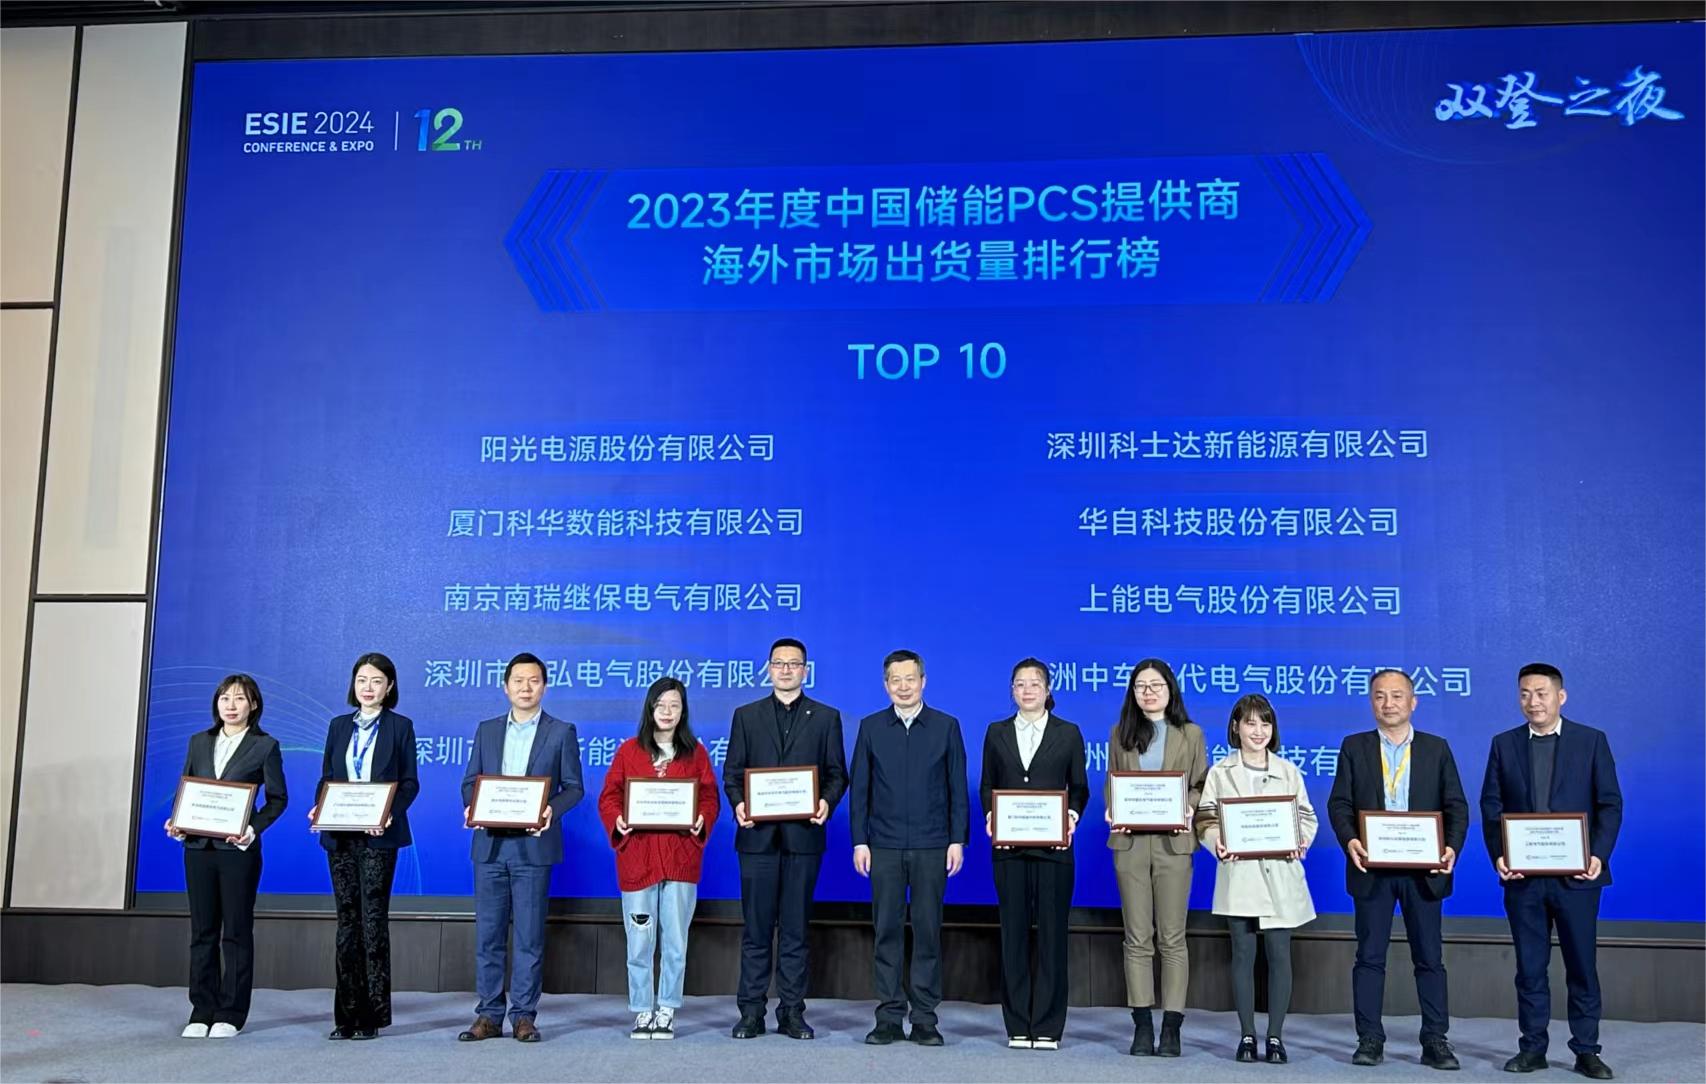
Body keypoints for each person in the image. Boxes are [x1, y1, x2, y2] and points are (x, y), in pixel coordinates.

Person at [1479, 663, 1622, 1081]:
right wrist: (1500, 854)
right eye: (1525, 693)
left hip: (1578, 878)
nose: (1533, 701)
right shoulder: (1504, 744)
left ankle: (1587, 1050)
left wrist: (1597, 855)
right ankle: (1532, 1048)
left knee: (1582, 967)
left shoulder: (1591, 741)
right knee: (1529, 968)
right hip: (1523, 879)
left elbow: (1610, 803)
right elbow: (1491, 805)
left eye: (1541, 693)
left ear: (1561, 696)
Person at [1327, 668, 1467, 1070]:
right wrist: (1350, 841)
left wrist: (1450, 848)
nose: (1388, 704)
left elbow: (1456, 806)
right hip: (1372, 869)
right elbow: (1340, 803)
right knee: (1370, 958)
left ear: (1413, 701)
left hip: (1424, 872)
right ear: (1371, 702)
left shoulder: (1436, 748)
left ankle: (1435, 1040)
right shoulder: (1354, 746)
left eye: (1396, 695)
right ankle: (1370, 1039)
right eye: (1379, 696)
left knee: (1430, 959)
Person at [724, 637, 847, 1040]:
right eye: (779, 663)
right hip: (756, 838)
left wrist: (826, 802)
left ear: (805, 671)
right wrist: (739, 804)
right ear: (769, 669)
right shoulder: (746, 715)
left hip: (803, 839)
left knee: (795, 931)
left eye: (794, 664)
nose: (786, 670)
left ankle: (792, 1012)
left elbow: (836, 774)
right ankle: (751, 1012)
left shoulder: (826, 717)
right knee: (756, 931)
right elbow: (732, 773)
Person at [457, 652, 583, 1043]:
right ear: (505, 686)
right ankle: (488, 1015)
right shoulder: (487, 730)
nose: (525, 688)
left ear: (544, 686)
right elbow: (470, 782)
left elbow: (574, 788)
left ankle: (524, 1015)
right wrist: (472, 805)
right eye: (518, 681)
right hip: (490, 847)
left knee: (529, 937)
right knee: (488, 936)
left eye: (533, 681)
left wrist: (550, 810)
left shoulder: (561, 732)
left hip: (533, 848)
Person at [848, 649, 969, 1047]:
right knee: (886, 931)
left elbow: (957, 788)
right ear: (886, 685)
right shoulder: (870, 727)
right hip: (883, 845)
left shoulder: (946, 726)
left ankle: (925, 1019)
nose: (903, 686)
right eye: (895, 680)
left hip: (933, 844)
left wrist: (957, 840)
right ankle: (888, 1016)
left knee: (928, 931)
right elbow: (860, 789)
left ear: (923, 681)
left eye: (910, 679)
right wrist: (860, 841)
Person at [164, 673, 288, 1038]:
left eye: (239, 699)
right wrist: (177, 821)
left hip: (237, 850)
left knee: (235, 931)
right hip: (197, 848)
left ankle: (231, 1013)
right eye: (224, 698)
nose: (231, 706)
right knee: (202, 932)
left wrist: (252, 829)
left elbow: (278, 799)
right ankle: (201, 1010)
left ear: (254, 705)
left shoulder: (265, 745)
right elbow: (187, 788)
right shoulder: (199, 741)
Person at [597, 677, 721, 1040]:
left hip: (681, 859)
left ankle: (667, 1008)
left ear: (683, 711)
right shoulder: (629, 751)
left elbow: (710, 797)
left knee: (675, 940)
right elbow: (609, 796)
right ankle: (641, 1010)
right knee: (639, 941)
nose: (667, 712)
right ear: (649, 709)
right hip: (638, 859)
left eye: (674, 705)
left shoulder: (696, 753)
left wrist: (702, 818)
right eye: (660, 705)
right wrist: (617, 819)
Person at [1196, 693, 1316, 1065]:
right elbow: (1205, 818)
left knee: (1280, 955)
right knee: (1243, 954)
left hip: (1280, 873)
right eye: (1250, 723)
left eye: (1265, 723)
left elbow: (1306, 817)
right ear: (1236, 727)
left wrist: (1300, 840)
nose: (1258, 730)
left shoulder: (1288, 771)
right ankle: (1247, 1034)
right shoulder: (1220, 772)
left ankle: (1275, 1036)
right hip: (1240, 875)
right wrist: (1217, 842)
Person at [979, 657, 1089, 1051]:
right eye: (1020, 684)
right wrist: (992, 816)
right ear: (1012, 691)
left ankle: (1047, 1026)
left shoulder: (1068, 733)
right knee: (1013, 936)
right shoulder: (996, 732)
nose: (1027, 690)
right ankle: (1017, 1025)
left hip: (1054, 852)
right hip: (1009, 851)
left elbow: (1079, 788)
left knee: (1052, 937)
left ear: (1048, 689)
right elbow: (988, 785)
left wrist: (1070, 817)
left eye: (1034, 683)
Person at [311, 652, 420, 1040]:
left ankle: (372, 1016)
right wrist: (319, 806)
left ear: (389, 686)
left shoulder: (400, 726)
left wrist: (389, 812)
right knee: (346, 923)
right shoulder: (338, 726)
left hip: (379, 835)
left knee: (372, 922)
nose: (368, 687)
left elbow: (410, 783)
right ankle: (346, 1015)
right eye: (361, 680)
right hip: (340, 834)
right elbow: (327, 777)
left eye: (376, 680)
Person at [1105, 658, 1207, 1057]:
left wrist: (1187, 806)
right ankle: (1143, 1025)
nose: (1148, 693)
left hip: (1173, 843)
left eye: (1156, 685)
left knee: (1172, 937)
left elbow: (1200, 784)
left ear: (1170, 690)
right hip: (1130, 844)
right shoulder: (1120, 732)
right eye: (1140, 686)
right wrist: (1114, 808)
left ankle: (1172, 1027)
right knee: (1137, 937)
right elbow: (1113, 781)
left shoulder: (1191, 733)